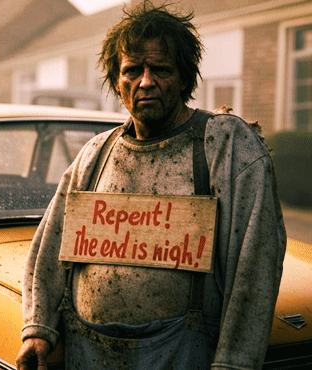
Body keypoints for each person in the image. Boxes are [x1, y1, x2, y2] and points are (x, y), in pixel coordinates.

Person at [16, 1, 286, 369]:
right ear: (116, 81)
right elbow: (48, 249)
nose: (145, 81)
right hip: (88, 355)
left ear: (185, 77)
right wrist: (38, 329)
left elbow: (256, 264)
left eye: (160, 69)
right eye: (132, 70)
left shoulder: (225, 146)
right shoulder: (96, 154)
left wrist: (234, 363)